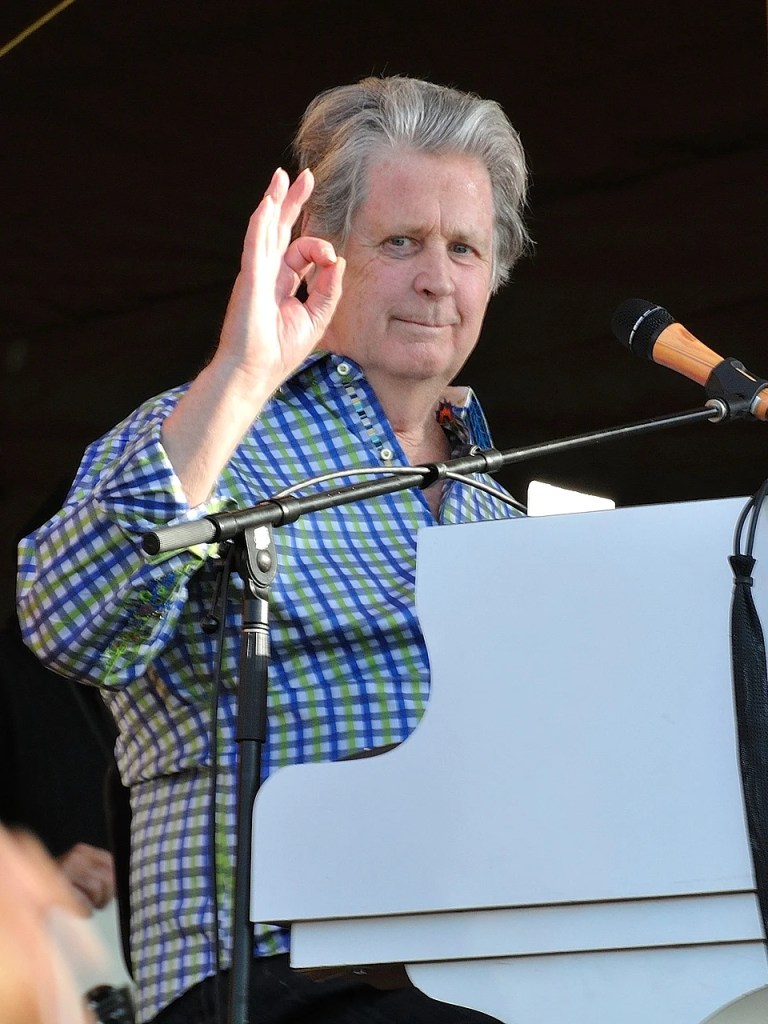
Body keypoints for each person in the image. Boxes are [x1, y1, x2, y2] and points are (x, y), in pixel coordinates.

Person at [17, 75, 531, 1023]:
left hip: (483, 969)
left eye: (464, 248)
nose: (437, 279)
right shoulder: (213, 430)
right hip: (269, 978)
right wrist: (242, 371)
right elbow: (67, 623)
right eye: (402, 242)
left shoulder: (495, 505)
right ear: (317, 255)